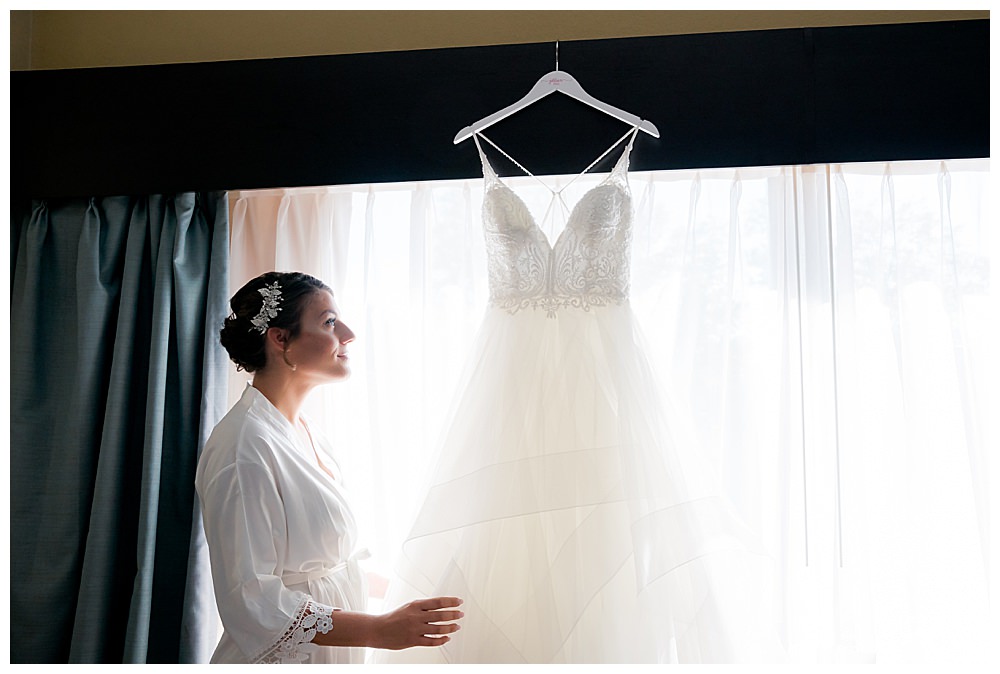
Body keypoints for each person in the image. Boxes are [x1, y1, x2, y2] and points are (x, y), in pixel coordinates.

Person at [195, 271, 463, 664]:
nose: (349, 334)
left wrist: (405, 589)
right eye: (330, 322)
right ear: (280, 338)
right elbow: (250, 597)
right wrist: (378, 630)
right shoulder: (243, 448)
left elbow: (325, 566)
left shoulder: (305, 431)